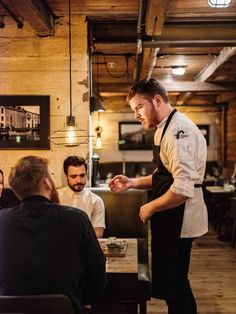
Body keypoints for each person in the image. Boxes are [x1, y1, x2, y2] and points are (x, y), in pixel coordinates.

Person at [109, 78, 208, 314]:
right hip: (170, 218)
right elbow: (164, 177)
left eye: (138, 107)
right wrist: (132, 182)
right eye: (134, 110)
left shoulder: (178, 132)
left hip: (180, 220)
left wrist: (150, 207)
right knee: (173, 286)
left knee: (177, 286)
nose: (136, 115)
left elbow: (182, 189)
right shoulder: (163, 129)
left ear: (157, 100)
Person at [0, 156, 106, 314]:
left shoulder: (2, 220)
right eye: (52, 175)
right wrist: (84, 300)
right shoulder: (77, 219)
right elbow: (97, 274)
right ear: (47, 183)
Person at [58, 156, 105, 238]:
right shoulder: (55, 197)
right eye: (73, 176)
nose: (79, 180)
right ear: (66, 177)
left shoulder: (96, 200)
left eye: (82, 175)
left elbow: (98, 234)